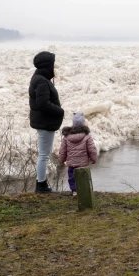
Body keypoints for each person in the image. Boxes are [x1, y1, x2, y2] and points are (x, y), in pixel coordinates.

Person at [29, 51, 65, 193]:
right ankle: (41, 184)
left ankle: (41, 182)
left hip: (42, 121)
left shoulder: (38, 78)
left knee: (45, 153)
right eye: (52, 64)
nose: (54, 67)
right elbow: (43, 103)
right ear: (47, 65)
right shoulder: (42, 81)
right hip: (45, 122)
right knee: (44, 155)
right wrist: (59, 111)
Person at [59, 112, 98, 196]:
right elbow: (92, 149)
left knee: (72, 178)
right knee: (83, 177)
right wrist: (94, 159)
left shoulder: (66, 137)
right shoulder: (87, 136)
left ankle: (74, 191)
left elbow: (63, 150)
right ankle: (84, 191)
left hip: (71, 164)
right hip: (83, 164)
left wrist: (61, 160)